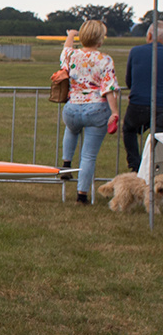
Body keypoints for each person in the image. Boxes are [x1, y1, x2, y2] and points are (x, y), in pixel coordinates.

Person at [58, 20, 120, 204]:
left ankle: (66, 164)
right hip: (96, 108)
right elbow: (108, 88)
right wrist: (114, 112)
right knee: (88, 155)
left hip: (72, 107)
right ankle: (81, 195)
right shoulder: (104, 60)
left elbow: (65, 50)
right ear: (100, 39)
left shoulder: (71, 55)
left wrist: (70, 34)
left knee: (71, 129)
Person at [122, 22, 159, 172]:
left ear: (149, 35)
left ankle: (135, 165)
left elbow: (128, 81)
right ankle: (156, 168)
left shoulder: (135, 51)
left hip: (137, 104)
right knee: (159, 138)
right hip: (161, 106)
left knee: (129, 130)